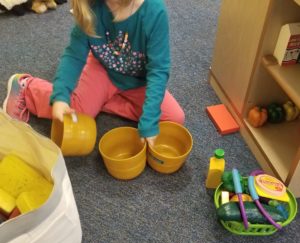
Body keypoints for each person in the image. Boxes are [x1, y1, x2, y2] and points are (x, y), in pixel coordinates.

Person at [2, 0, 185, 146]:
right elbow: (74, 56)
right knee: (78, 112)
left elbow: (158, 70)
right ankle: (27, 88)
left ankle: (102, 100)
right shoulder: (90, 7)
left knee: (173, 119)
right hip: (103, 69)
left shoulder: (154, 11)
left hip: (138, 80)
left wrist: (150, 118)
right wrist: (60, 96)